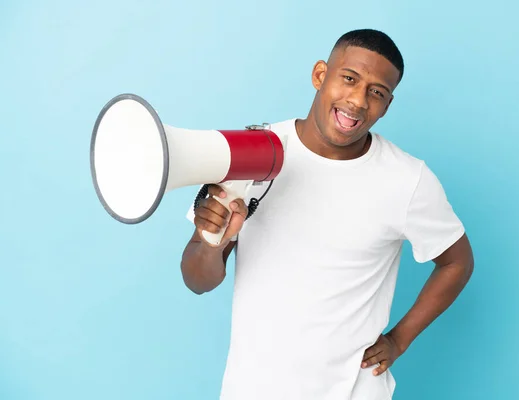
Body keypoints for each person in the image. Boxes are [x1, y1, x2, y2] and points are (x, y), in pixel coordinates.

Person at [180, 28, 474, 400]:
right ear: (321, 75)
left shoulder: (407, 179)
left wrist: (399, 340)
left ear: (387, 105)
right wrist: (212, 241)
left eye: (376, 92)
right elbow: (197, 280)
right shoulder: (249, 152)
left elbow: (457, 262)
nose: (357, 100)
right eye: (349, 78)